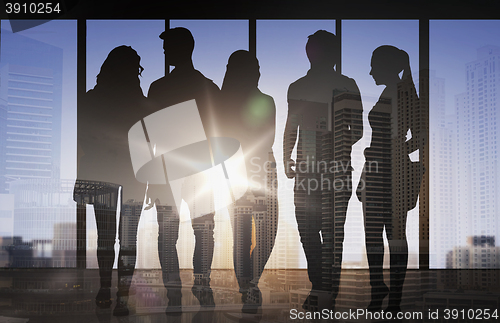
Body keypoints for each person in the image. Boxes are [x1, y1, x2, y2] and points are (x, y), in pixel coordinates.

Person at [284, 30, 363, 309]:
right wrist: (287, 156)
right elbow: (290, 126)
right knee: (308, 230)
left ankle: (326, 292)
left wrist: (327, 137)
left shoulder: (347, 85)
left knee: (331, 233)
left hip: (335, 169)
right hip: (308, 169)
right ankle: (321, 287)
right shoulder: (297, 87)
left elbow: (358, 131)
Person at [147, 27, 220, 314]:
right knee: (204, 232)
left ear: (182, 48)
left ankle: (174, 294)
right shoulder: (209, 87)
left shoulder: (158, 88)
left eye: (168, 46)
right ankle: (202, 286)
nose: (164, 51)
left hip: (168, 172)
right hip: (200, 171)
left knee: (167, 236)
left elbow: (152, 137)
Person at [74, 45, 152, 316]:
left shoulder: (90, 99)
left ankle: (105, 290)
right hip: (134, 173)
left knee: (105, 238)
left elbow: (82, 138)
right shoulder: (141, 102)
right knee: (128, 238)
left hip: (101, 173)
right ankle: (123, 296)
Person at [357, 45, 425, 312]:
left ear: (386, 66)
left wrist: (392, 151)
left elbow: (419, 138)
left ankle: (393, 296)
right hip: (376, 171)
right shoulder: (389, 92)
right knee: (374, 234)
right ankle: (380, 288)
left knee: (394, 235)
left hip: (393, 173)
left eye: (374, 65)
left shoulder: (404, 94)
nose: (371, 70)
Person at [218, 50, 277, 313]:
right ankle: (248, 286)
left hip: (238, 173)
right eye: (256, 68)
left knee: (242, 236)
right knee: (264, 234)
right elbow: (268, 139)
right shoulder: (265, 101)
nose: (259, 72)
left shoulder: (221, 104)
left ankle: (247, 286)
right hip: (259, 170)